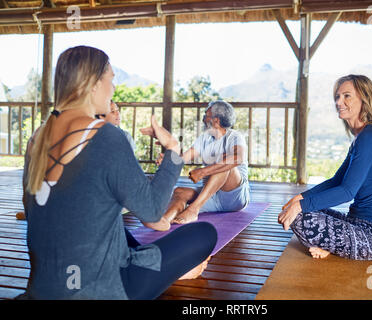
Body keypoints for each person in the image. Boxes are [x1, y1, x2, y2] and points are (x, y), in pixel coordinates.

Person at [18, 45, 217, 300]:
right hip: (101, 291)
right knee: (203, 233)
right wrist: (173, 150)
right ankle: (172, 272)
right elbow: (153, 211)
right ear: (93, 84)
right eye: (111, 79)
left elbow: (43, 211)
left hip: (43, 289)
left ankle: (154, 266)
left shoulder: (37, 138)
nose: (113, 88)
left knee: (113, 225)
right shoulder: (106, 136)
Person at [278, 74, 372, 261]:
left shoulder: (371, 137)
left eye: (346, 96)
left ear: (364, 99)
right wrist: (300, 198)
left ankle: (336, 246)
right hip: (357, 223)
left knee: (299, 216)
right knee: (303, 208)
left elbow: (347, 191)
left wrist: (300, 206)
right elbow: (337, 181)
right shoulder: (361, 138)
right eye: (337, 96)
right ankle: (337, 245)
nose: (339, 101)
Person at [142, 100, 250, 231]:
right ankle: (164, 220)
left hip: (234, 196)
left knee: (225, 162)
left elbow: (237, 159)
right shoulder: (204, 138)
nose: (203, 118)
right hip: (211, 196)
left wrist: (203, 172)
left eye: (206, 114)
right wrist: (169, 157)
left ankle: (193, 210)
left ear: (216, 120)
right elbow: (182, 159)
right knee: (179, 192)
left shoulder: (234, 136)